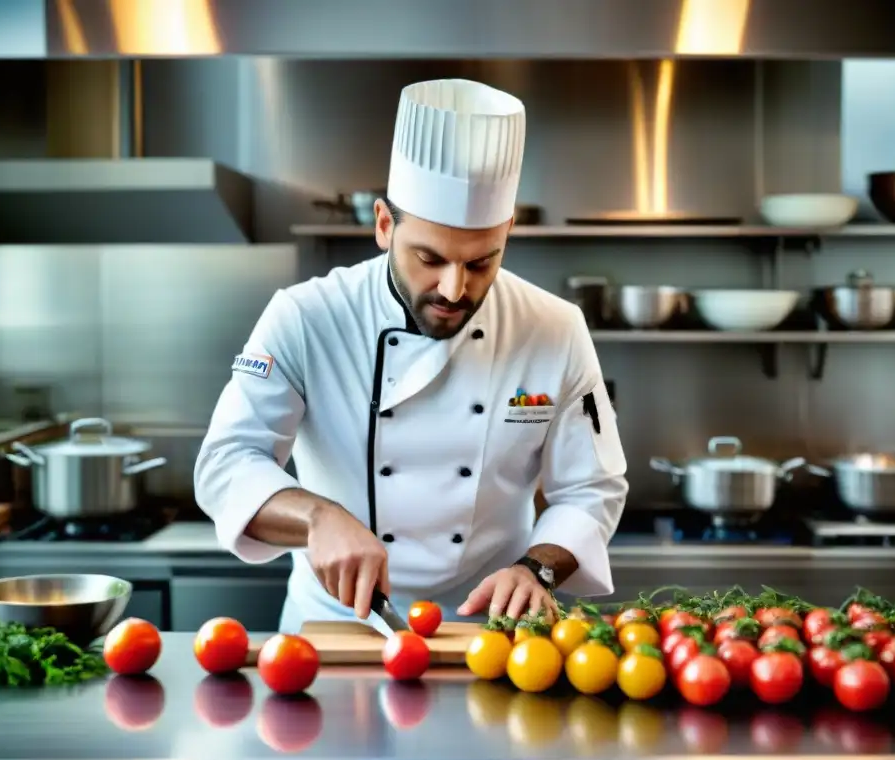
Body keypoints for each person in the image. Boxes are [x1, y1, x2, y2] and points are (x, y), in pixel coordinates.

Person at [194, 78, 628, 634]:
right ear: (383, 225)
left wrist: (536, 571)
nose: (453, 289)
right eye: (429, 258)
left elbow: (593, 487)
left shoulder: (554, 328)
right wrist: (316, 517)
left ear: (508, 234)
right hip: (335, 623)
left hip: (492, 629)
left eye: (480, 263)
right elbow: (226, 463)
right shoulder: (306, 317)